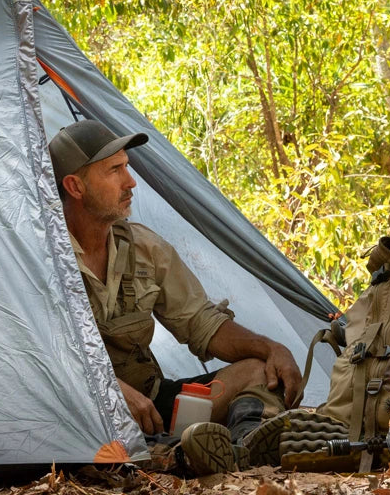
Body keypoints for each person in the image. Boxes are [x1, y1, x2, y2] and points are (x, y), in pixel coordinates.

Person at [49, 119, 305, 475]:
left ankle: (244, 447)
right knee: (95, 438)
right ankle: (174, 455)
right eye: (114, 171)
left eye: (127, 166)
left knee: (258, 372)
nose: (130, 181)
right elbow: (38, 357)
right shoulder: (40, 257)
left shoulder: (144, 247)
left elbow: (203, 324)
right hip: (82, 414)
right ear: (75, 186)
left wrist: (271, 349)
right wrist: (109, 390)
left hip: (151, 406)